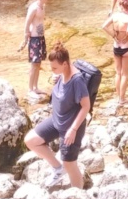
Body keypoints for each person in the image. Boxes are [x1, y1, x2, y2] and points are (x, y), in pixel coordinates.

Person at [23, 42, 91, 189]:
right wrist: (58, 77)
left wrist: (72, 130)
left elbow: (86, 106)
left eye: (55, 67)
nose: (52, 70)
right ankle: (57, 168)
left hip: (71, 127)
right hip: (56, 120)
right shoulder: (62, 74)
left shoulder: (77, 80)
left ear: (65, 64)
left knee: (70, 163)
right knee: (31, 140)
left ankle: (78, 197)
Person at [102, 0, 128, 107]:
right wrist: (126, 37)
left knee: (118, 73)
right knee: (125, 74)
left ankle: (118, 97)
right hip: (126, 46)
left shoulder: (114, 16)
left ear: (120, 6)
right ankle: (122, 99)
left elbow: (104, 26)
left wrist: (114, 36)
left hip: (116, 46)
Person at [18, 0, 50, 100]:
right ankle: (30, 89)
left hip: (41, 38)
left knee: (38, 64)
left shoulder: (43, 6)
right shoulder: (34, 8)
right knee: (33, 64)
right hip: (35, 39)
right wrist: (25, 37)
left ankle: (36, 87)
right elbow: (27, 23)